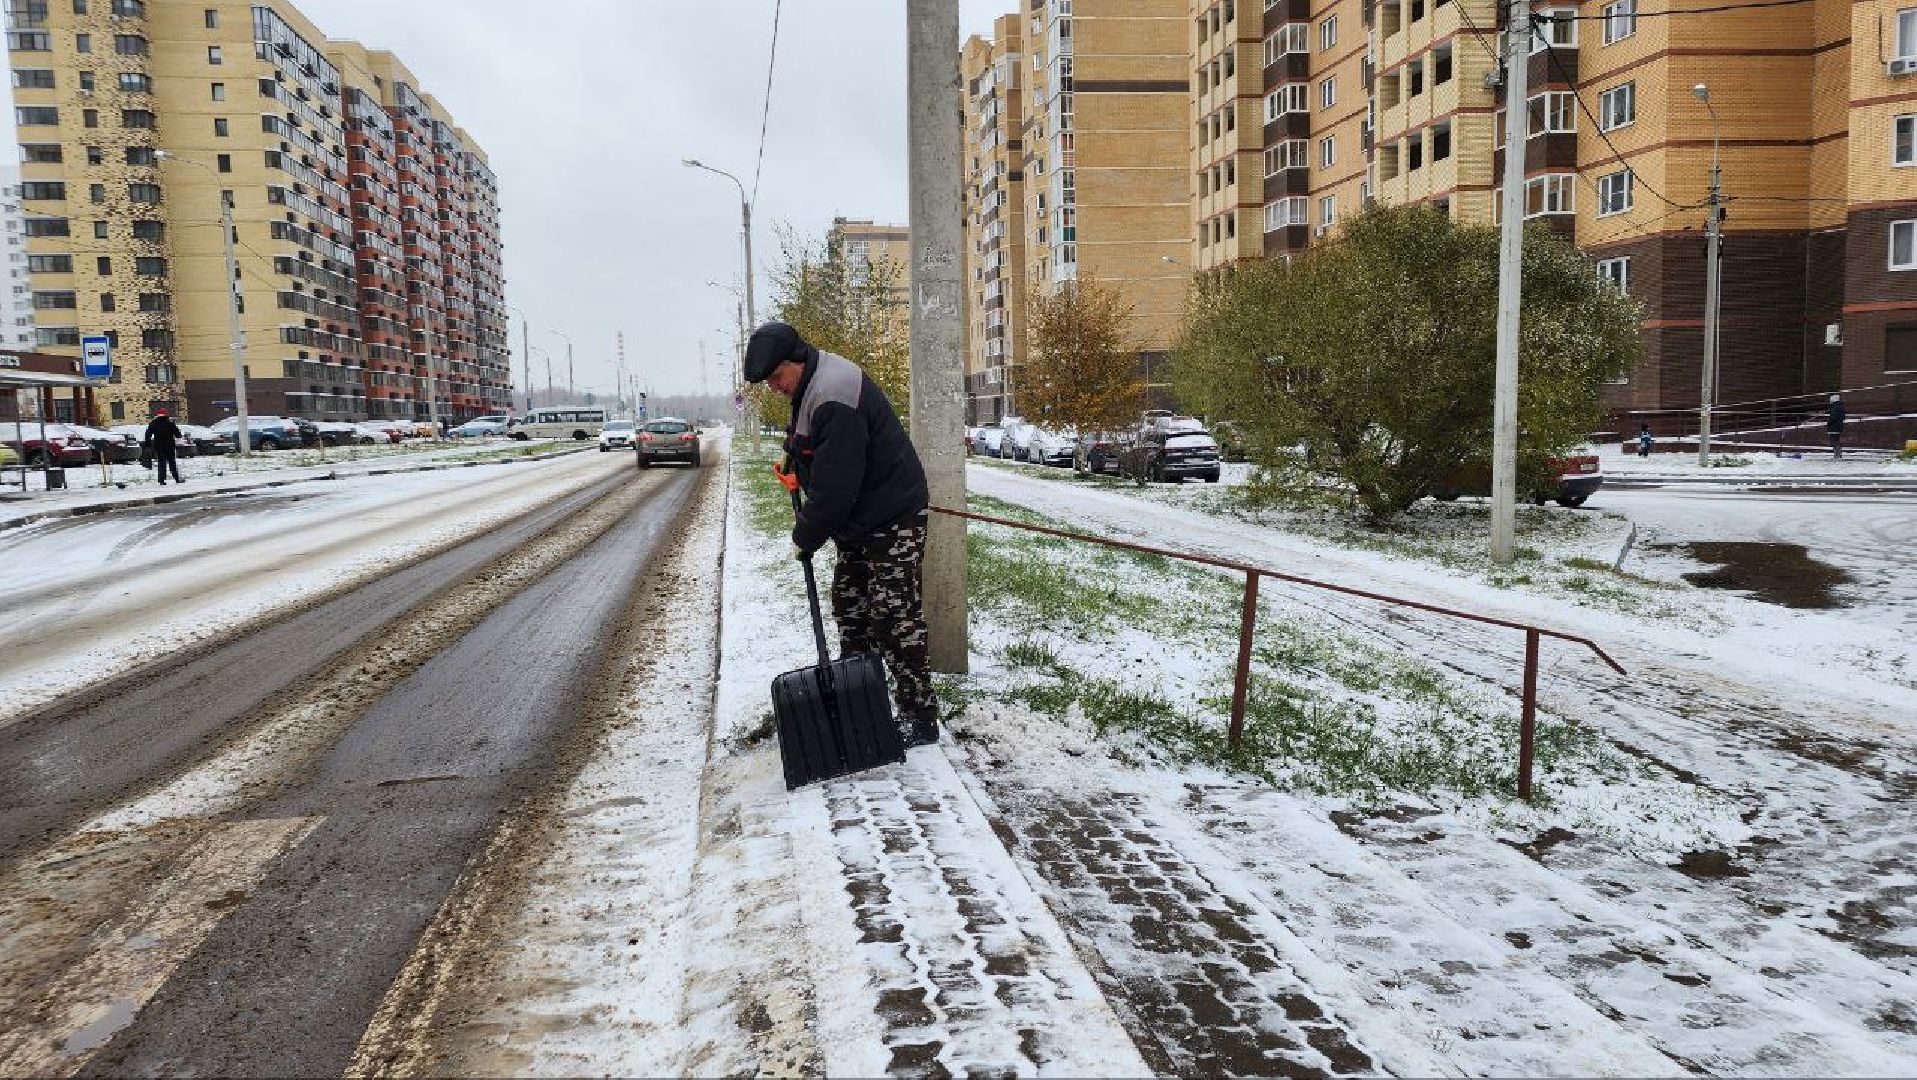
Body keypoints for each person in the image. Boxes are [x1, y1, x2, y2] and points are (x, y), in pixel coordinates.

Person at [743, 321, 938, 748]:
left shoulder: (833, 392)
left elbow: (837, 490)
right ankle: (861, 704)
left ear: (793, 361)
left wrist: (804, 536)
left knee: (892, 616)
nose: (776, 387)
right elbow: (813, 445)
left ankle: (919, 716)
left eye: (777, 378)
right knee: (851, 610)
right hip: (858, 521)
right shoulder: (810, 382)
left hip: (892, 517)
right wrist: (797, 457)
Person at [143, 409, 184, 485]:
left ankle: (161, 480)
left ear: (157, 415)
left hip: (158, 446)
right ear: (166, 415)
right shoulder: (170, 423)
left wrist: (147, 444)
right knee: (172, 462)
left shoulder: (153, 423)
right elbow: (178, 434)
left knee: (161, 462)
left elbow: (148, 434)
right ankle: (176, 478)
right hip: (169, 446)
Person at [1826, 393, 1845, 460]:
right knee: (1836, 440)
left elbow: (1833, 417)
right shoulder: (1840, 407)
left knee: (1834, 441)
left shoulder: (1835, 408)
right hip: (1838, 427)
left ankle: (1837, 454)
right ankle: (1838, 454)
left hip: (1834, 427)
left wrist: (1828, 422)